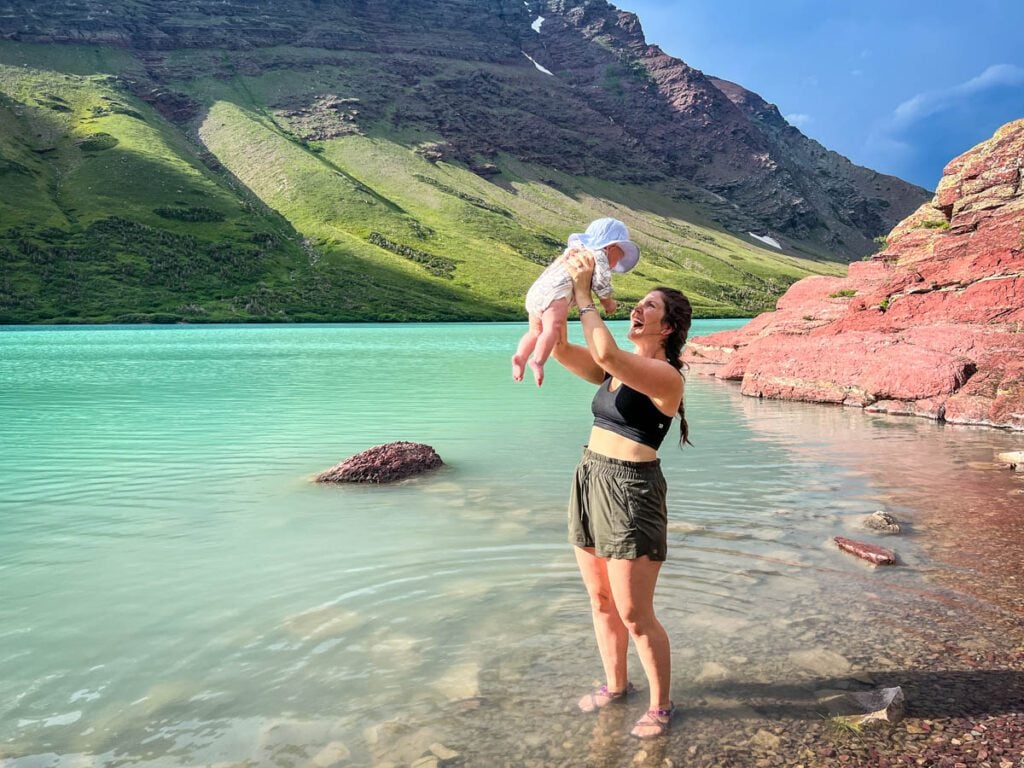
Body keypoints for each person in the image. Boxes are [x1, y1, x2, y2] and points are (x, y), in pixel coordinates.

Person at [551, 247, 693, 739]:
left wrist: (588, 294)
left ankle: (661, 705)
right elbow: (564, 350)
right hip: (590, 477)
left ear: (668, 328)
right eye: (640, 302)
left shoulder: (665, 377)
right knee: (600, 600)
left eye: (650, 306)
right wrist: (560, 295)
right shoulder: (614, 369)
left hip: (631, 491)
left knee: (634, 613)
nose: (639, 307)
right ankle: (616, 687)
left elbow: (607, 352)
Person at [512, 218, 640, 386]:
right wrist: (607, 302)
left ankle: (520, 357)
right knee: (552, 327)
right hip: (555, 294)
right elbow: (601, 282)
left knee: (535, 331)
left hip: (537, 292)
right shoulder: (599, 255)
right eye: (619, 256)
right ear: (611, 247)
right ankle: (537, 360)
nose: (616, 264)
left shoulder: (575, 250)